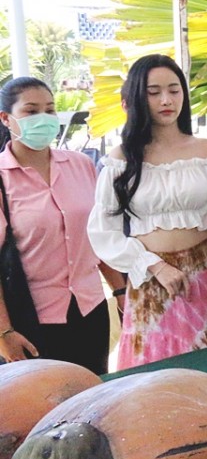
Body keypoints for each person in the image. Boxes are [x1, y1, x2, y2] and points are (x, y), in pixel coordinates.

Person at [88, 54, 207, 369]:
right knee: (155, 384)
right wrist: (154, 266)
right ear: (136, 97)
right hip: (150, 281)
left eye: (174, 90)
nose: (166, 100)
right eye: (153, 91)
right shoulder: (121, 159)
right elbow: (102, 231)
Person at [0, 77, 125, 375]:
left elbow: (98, 238)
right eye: (31, 111)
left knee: (93, 400)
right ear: (6, 118)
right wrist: (4, 333)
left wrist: (121, 294)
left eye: (50, 110)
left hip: (90, 310)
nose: (43, 118)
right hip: (31, 322)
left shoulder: (80, 165)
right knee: (41, 412)